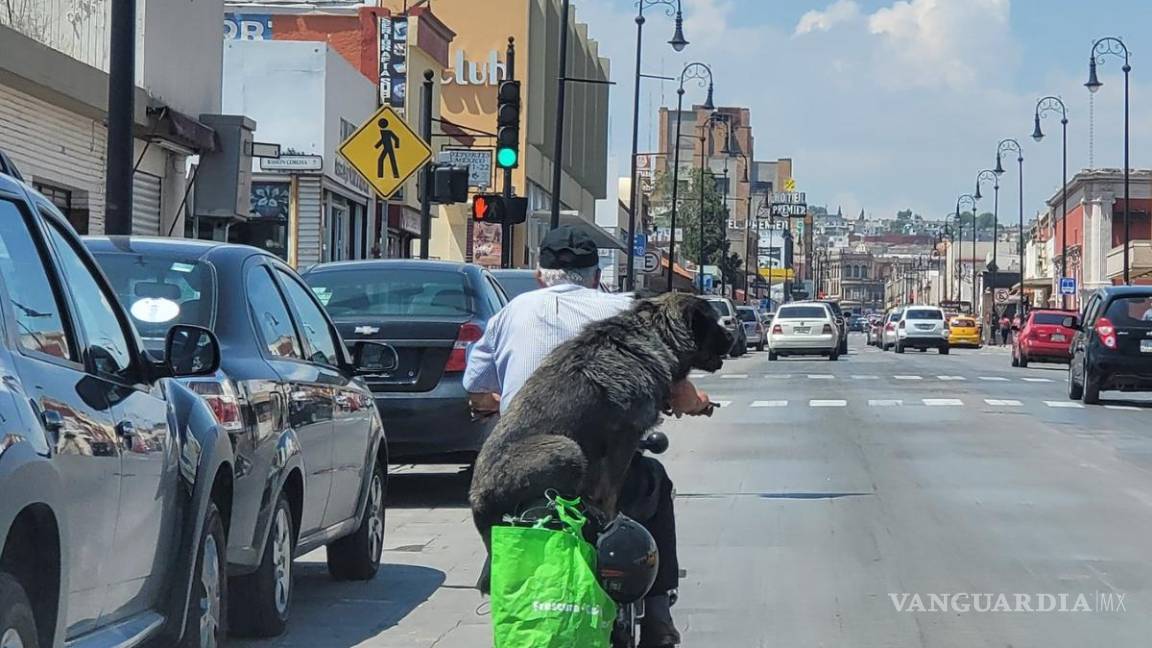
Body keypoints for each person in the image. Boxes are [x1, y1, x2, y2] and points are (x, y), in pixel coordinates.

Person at [464, 226, 710, 648]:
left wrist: (507, 403)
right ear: (596, 275)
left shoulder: (511, 312)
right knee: (654, 482)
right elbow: (676, 389)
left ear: (540, 275)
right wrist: (698, 403)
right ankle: (657, 614)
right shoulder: (623, 311)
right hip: (595, 473)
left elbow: (477, 385)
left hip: (523, 474)